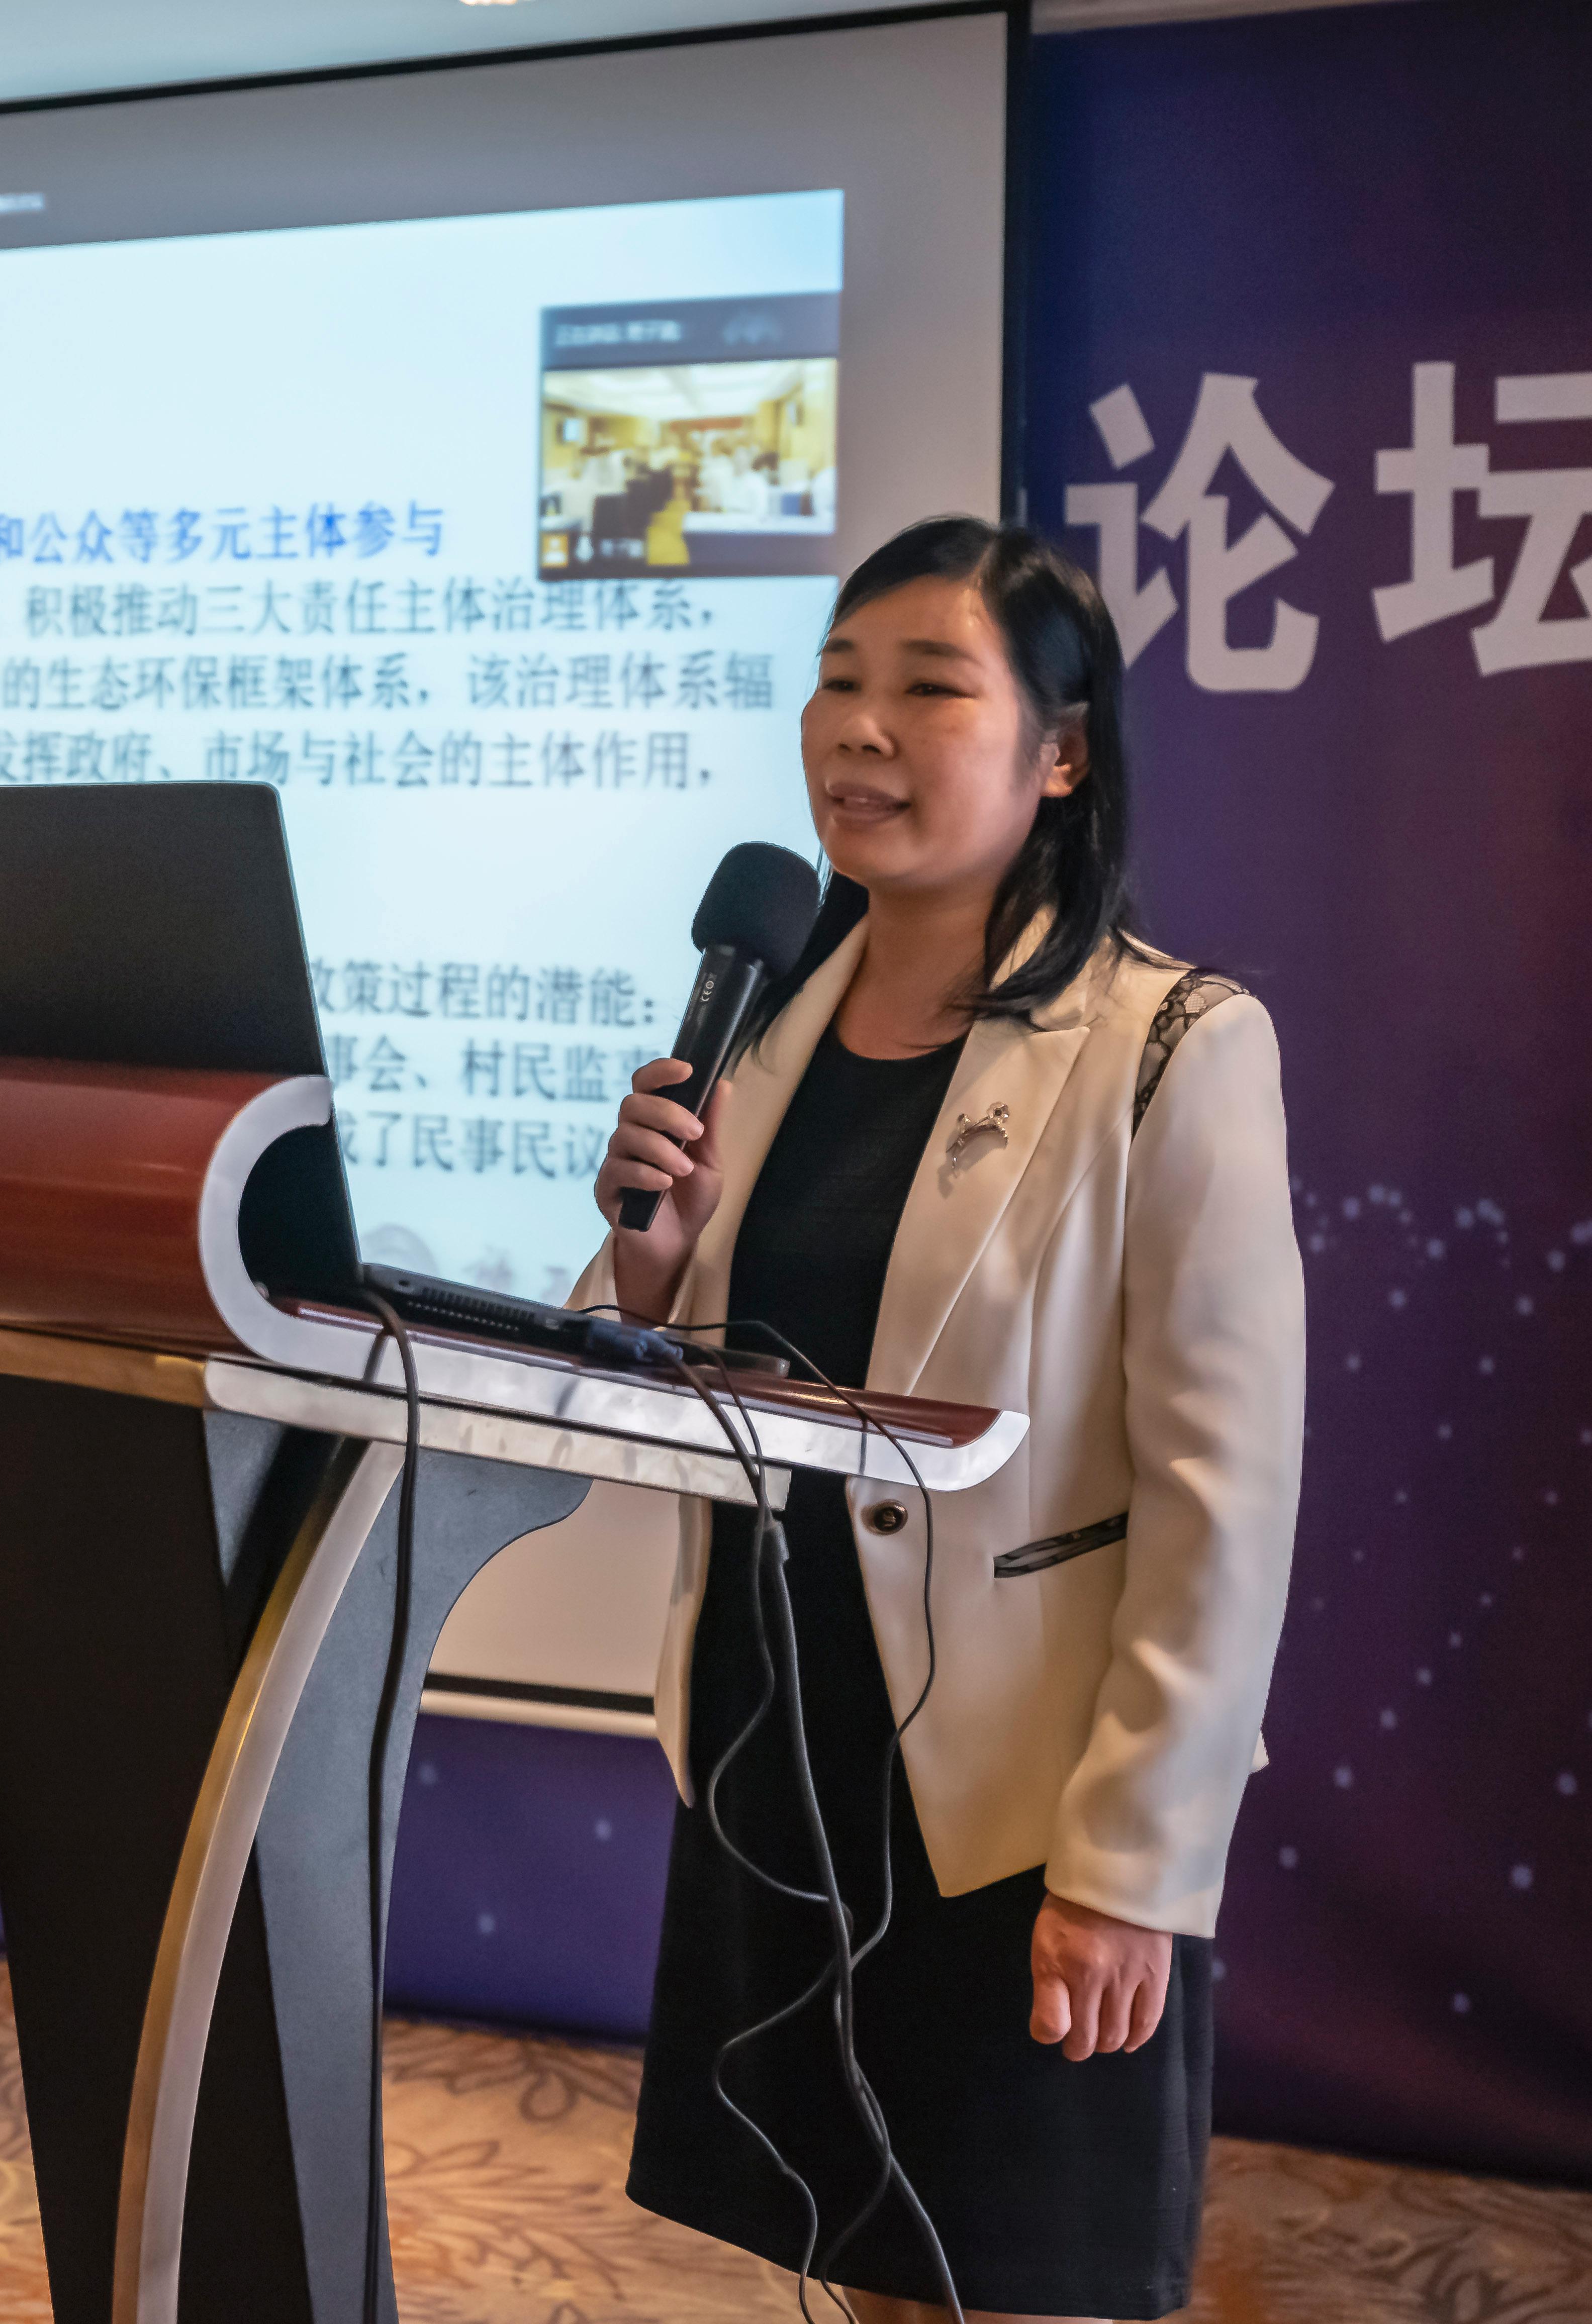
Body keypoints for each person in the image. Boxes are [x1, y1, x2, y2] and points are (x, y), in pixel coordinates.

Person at [576, 516, 1303, 2323]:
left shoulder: (1172, 1044)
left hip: (1013, 1792)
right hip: (782, 1739)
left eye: (928, 687)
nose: (859, 729)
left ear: (1062, 754)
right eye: (836, 682)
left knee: (1016, 2276)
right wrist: (646, 1271)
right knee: (864, 2268)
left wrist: (1133, 1865)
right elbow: (655, 1391)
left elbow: (1224, 1499)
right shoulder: (761, 1032)